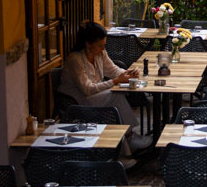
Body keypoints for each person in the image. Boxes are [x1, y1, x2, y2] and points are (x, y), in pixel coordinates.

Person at [58, 21, 151, 151]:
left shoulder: (100, 53)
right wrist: (115, 81)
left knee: (117, 97)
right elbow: (87, 89)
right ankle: (129, 138)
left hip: (94, 96)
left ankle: (125, 142)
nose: (103, 49)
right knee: (116, 97)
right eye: (99, 46)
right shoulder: (76, 59)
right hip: (77, 101)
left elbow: (112, 70)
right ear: (88, 44)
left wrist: (127, 73)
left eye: (104, 45)